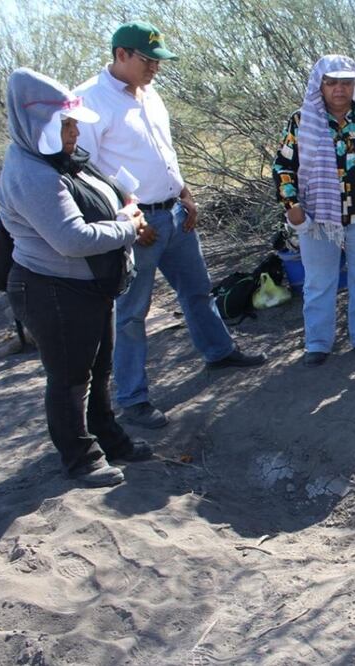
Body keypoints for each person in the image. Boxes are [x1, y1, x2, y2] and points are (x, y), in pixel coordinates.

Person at [74, 21, 265, 429]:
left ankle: (218, 351)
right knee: (130, 313)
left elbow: (165, 152)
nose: (155, 69)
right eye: (148, 60)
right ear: (121, 54)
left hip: (174, 214)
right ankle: (132, 397)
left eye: (158, 62)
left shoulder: (150, 94)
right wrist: (126, 217)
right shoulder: (90, 101)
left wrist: (185, 194)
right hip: (136, 222)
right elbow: (83, 172)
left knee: (197, 290)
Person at [0, 68, 153, 487]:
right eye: (64, 125)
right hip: (54, 289)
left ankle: (109, 438)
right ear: (39, 124)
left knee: (97, 372)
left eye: (72, 124)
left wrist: (124, 203)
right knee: (69, 380)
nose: (72, 134)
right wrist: (128, 227)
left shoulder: (53, 158)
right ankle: (79, 458)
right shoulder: (30, 172)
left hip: (88, 289)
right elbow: (71, 238)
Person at [272, 55, 355, 366]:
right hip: (317, 217)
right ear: (320, 85)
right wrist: (292, 205)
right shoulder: (303, 120)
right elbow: (284, 165)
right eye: (332, 82)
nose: (339, 88)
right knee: (318, 282)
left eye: (346, 82)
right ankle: (317, 343)